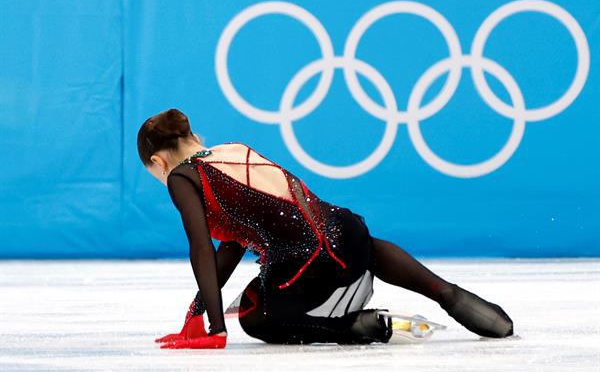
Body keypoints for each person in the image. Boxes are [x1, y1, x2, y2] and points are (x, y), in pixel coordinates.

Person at [137, 108, 514, 349]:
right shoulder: (233, 148)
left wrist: (215, 329)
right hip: (351, 237)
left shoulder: (183, 176)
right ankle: (447, 294)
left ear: (157, 161)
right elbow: (232, 249)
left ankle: (357, 327)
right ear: (196, 138)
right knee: (343, 235)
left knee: (253, 315)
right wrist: (196, 312)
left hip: (312, 268)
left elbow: (202, 248)